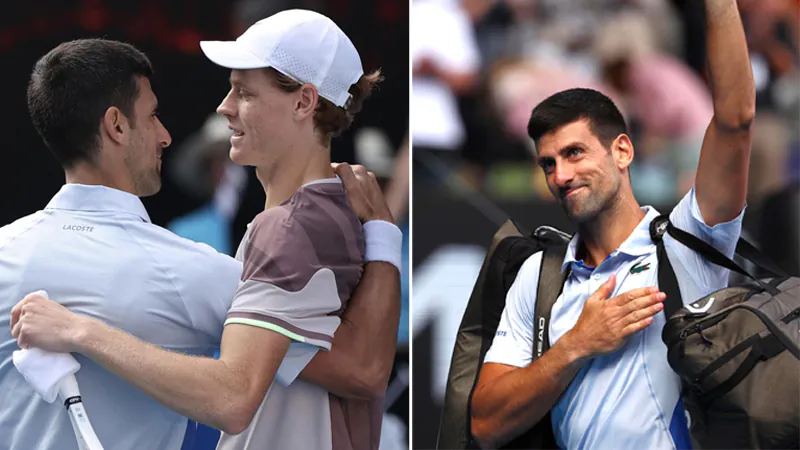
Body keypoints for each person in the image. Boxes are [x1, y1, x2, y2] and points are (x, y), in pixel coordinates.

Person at [4, 11, 400, 450]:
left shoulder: (289, 227)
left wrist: (81, 330)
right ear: (116, 126)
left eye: (244, 93)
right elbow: (360, 368)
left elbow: (241, 394)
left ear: (304, 102)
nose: (223, 107)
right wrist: (384, 237)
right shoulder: (304, 221)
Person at [469, 0, 755, 448]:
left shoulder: (688, 240)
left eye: (575, 153)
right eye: (548, 163)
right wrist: (576, 344)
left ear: (622, 151)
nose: (559, 176)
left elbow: (735, 120)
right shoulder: (537, 276)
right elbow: (485, 425)